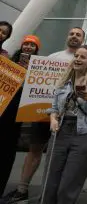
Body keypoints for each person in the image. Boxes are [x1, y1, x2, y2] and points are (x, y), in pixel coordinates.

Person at [3, 27, 85, 203]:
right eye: (71, 33)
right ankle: (22, 190)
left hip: (67, 115)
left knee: (59, 155)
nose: (74, 36)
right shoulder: (52, 57)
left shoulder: (83, 60)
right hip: (44, 111)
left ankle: (50, 194)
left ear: (83, 39)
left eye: (78, 35)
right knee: (35, 150)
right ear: (67, 37)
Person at [42, 44, 87, 203]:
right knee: (49, 181)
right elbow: (53, 107)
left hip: (85, 133)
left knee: (70, 182)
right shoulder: (65, 80)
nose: (78, 59)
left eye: (82, 57)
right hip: (61, 131)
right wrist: (53, 119)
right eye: (76, 56)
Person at [1, 33, 36, 196]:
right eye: (26, 44)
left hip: (19, 111)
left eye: (32, 45)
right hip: (5, 108)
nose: (28, 47)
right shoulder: (9, 62)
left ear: (36, 49)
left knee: (9, 148)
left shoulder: (39, 66)